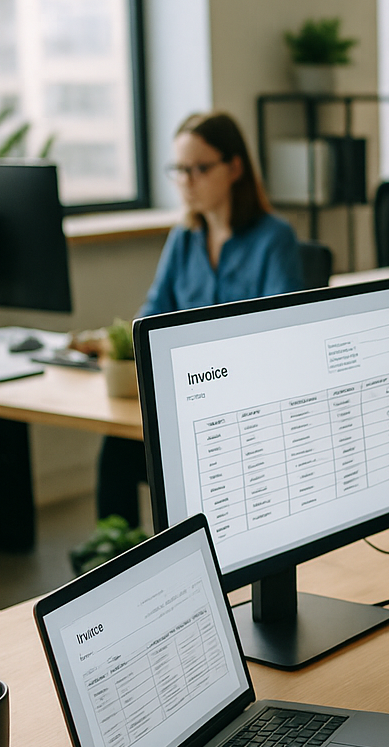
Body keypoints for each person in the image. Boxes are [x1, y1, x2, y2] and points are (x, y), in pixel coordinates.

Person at [97, 110, 303, 528]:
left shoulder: (274, 238)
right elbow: (152, 315)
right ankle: (114, 564)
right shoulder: (184, 239)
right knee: (116, 447)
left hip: (241, 407)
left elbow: (278, 338)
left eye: (200, 169)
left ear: (234, 168)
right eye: (180, 170)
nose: (187, 182)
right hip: (188, 395)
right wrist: (117, 342)